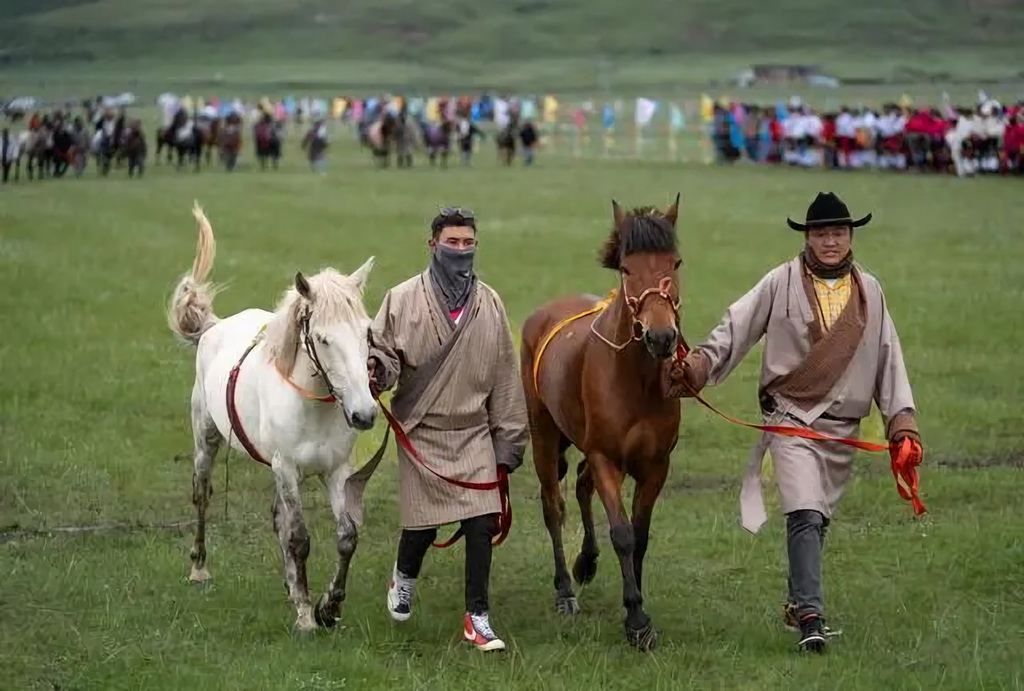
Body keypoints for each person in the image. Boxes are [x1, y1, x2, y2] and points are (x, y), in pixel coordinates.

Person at [671, 192, 922, 653]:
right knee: (803, 513)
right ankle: (810, 617)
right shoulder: (779, 282)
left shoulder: (871, 290)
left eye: (838, 233)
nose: (830, 241)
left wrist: (901, 421)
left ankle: (795, 601)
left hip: (844, 429)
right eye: (822, 233)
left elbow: (889, 358)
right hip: (791, 419)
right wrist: (699, 366)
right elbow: (736, 326)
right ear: (808, 237)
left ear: (850, 237)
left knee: (818, 518)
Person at [367, 207, 529, 652]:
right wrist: (376, 371)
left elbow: (504, 375)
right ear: (432, 244)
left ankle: (477, 617)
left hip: (474, 431)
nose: (460, 250)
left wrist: (508, 441)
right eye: (452, 242)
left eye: (468, 243)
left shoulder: (490, 303)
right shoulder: (401, 299)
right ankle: (404, 577)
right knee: (422, 529)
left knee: (482, 524)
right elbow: (381, 353)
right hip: (422, 429)